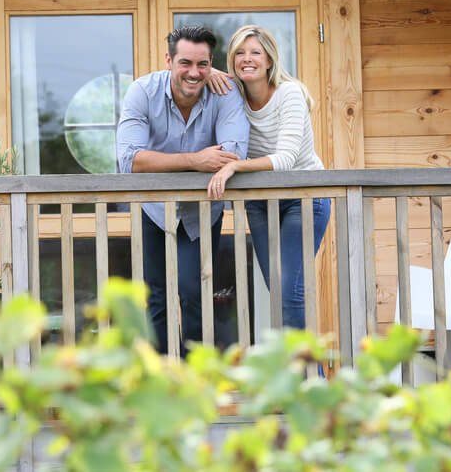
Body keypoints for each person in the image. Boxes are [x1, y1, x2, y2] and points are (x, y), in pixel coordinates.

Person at [117, 25, 249, 355]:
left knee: (195, 292)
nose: (194, 72)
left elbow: (233, 153)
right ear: (169, 61)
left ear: (211, 63)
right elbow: (130, 159)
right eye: (185, 63)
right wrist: (194, 160)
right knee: (154, 294)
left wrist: (171, 162)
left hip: (203, 208)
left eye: (203, 64)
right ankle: (162, 381)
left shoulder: (224, 92)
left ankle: (197, 381)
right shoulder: (142, 91)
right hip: (153, 208)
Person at [206, 25, 330, 330]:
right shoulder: (232, 97)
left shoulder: (290, 94)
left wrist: (235, 166)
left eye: (255, 53)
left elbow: (285, 159)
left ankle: (307, 376)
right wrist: (206, 72)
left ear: (270, 60)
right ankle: (301, 373)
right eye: (239, 53)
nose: (247, 59)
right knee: (278, 294)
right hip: (260, 203)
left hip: (303, 198)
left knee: (290, 294)